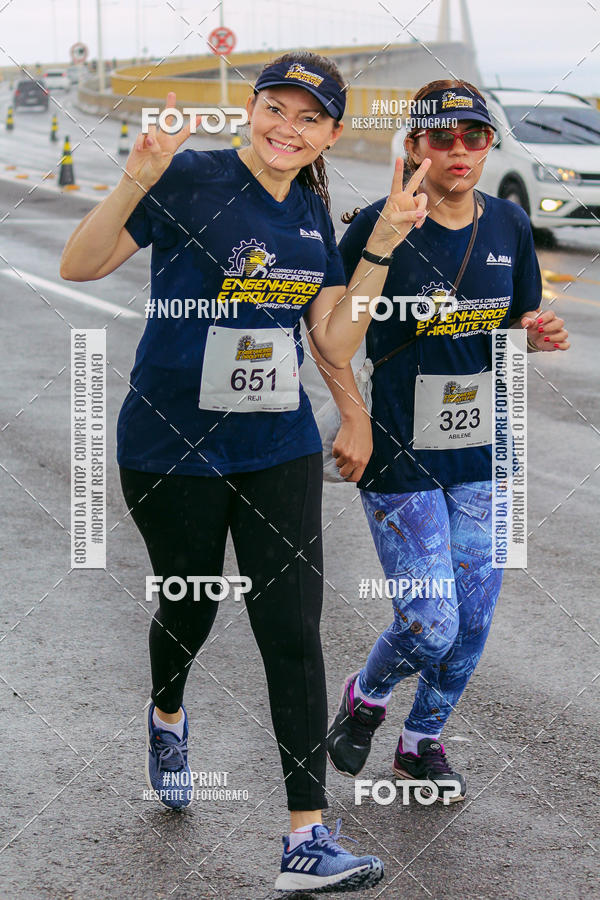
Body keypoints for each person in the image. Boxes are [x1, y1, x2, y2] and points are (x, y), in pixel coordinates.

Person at [60, 50, 431, 893]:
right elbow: (78, 265)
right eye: (276, 109)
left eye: (309, 119)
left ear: (332, 132)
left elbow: (332, 339)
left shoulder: (309, 207)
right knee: (187, 609)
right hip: (171, 446)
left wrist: (380, 244)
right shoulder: (187, 176)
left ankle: (306, 838)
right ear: (252, 109)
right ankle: (166, 712)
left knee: (293, 633)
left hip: (278, 448)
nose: (287, 130)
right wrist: (134, 178)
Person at [318, 79, 569, 802]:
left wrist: (534, 331)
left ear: (489, 143)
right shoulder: (376, 225)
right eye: (442, 137)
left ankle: (421, 741)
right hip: (400, 454)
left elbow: (518, 317)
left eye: (475, 136)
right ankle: (365, 697)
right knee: (429, 622)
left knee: (473, 620)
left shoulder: (511, 225)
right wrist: (354, 416)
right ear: (414, 146)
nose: (459, 151)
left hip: (485, 451)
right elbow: (331, 339)